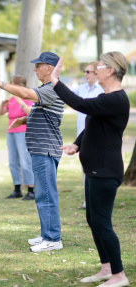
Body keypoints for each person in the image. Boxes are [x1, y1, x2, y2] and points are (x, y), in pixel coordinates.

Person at [51, 51, 130, 287]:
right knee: (93, 218)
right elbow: (92, 124)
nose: (96, 69)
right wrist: (77, 143)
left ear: (112, 71)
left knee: (102, 222)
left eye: (101, 66)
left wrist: (56, 80)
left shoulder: (115, 99)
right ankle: (106, 268)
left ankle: (119, 275)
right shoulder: (106, 97)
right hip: (96, 169)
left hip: (105, 171)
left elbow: (81, 104)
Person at [0, 51, 65, 252]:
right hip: (40, 148)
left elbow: (27, 95)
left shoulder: (53, 88)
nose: (35, 69)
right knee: (42, 194)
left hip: (45, 149)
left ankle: (53, 239)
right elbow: (46, 114)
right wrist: (25, 119)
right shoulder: (47, 88)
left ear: (49, 68)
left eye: (38, 65)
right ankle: (47, 234)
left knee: (46, 195)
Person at [0, 75, 34, 200]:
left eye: (12, 84)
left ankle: (31, 189)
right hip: (11, 131)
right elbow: (0, 113)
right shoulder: (11, 99)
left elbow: (30, 112)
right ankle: (17, 188)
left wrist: (19, 100)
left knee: (25, 160)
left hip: (22, 131)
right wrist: (2, 105)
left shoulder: (27, 97)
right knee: (13, 160)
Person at [74, 61, 104, 209]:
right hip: (82, 136)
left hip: (97, 137)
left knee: (97, 170)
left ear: (97, 73)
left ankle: (98, 201)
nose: (85, 74)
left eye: (88, 72)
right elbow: (67, 96)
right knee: (85, 170)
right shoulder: (81, 89)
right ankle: (87, 202)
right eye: (84, 71)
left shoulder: (102, 91)